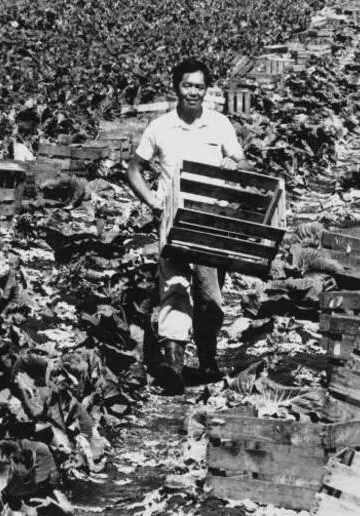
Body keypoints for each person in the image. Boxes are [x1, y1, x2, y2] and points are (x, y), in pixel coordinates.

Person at [126, 58, 251, 395]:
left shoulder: (219, 124)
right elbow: (134, 168)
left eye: (199, 86)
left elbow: (243, 161)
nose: (193, 92)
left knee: (210, 297)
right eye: (187, 86)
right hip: (173, 223)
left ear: (206, 90)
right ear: (176, 88)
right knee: (175, 289)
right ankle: (174, 367)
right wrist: (152, 200)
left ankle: (207, 359)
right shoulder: (160, 127)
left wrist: (233, 161)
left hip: (211, 225)